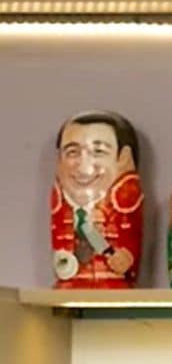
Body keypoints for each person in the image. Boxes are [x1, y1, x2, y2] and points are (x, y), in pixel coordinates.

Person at [49, 111, 143, 288]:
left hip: (111, 284)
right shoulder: (61, 204)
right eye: (72, 152)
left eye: (98, 152)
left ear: (124, 159)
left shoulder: (123, 203)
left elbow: (131, 237)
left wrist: (125, 258)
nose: (84, 167)